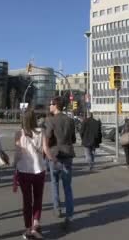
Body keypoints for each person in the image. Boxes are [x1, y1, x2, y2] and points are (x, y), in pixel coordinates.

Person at [43, 96, 76, 228]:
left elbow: (47, 137)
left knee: (54, 183)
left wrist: (49, 150)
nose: (49, 106)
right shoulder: (70, 120)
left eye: (51, 104)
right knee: (67, 186)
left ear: (56, 105)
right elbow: (73, 139)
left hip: (55, 155)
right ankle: (69, 214)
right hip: (67, 155)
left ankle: (57, 209)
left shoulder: (50, 120)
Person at [14, 110, 46, 239]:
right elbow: (45, 150)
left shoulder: (19, 134)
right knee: (38, 198)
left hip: (24, 171)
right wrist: (52, 159)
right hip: (39, 170)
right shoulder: (41, 132)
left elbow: (17, 154)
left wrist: (13, 165)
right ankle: (36, 224)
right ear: (34, 119)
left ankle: (28, 228)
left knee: (27, 201)